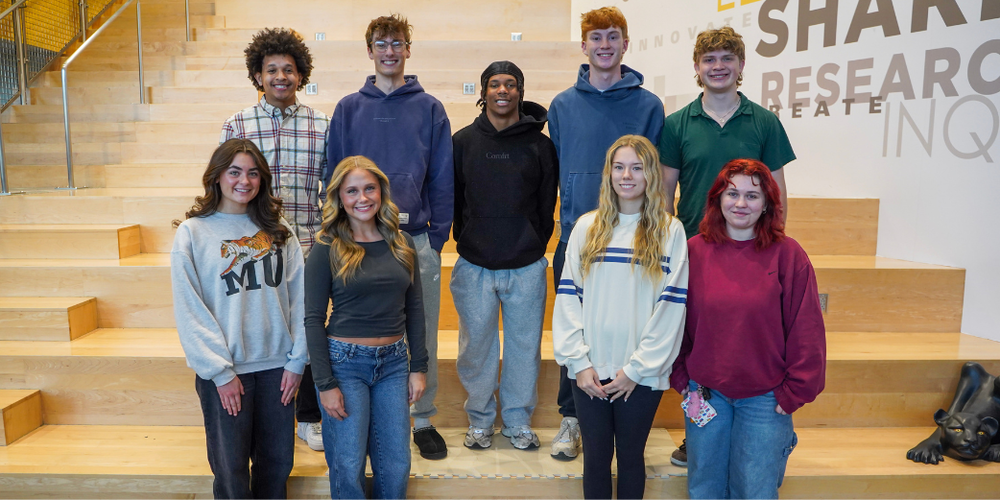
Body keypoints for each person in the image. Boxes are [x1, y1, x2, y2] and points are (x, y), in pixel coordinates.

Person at [659, 26, 796, 467]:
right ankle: (696, 434)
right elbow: (664, 195)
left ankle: (761, 429)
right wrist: (668, 247)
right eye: (709, 60)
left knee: (737, 338)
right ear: (697, 69)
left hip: (748, 249)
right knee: (695, 343)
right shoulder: (677, 124)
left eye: (726, 59)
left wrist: (772, 242)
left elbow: (775, 188)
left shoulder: (764, 121)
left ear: (740, 66)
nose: (718, 66)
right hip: (694, 252)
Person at [325, 13, 452, 460]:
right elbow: (335, 174)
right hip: (356, 242)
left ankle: (423, 418)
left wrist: (435, 239)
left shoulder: (430, 108)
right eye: (381, 43)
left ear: (407, 50)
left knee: (422, 331)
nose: (390, 51)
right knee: (359, 328)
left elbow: (441, 177)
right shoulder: (348, 108)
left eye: (397, 42)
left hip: (413, 240)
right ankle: (369, 412)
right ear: (370, 51)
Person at [546, 5, 664, 461]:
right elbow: (554, 172)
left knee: (631, 324)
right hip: (579, 236)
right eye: (596, 38)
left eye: (613, 36)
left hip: (638, 238)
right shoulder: (562, 105)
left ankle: (629, 411)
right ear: (584, 45)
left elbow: (656, 173)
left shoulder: (648, 105)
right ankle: (571, 418)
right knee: (573, 327)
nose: (604, 45)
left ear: (625, 44)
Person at [671, 159, 826, 499]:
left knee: (755, 491)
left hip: (766, 398)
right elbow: (674, 321)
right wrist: (681, 377)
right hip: (705, 392)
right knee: (704, 488)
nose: (741, 204)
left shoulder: (789, 255)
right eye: (732, 194)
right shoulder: (693, 251)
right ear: (717, 199)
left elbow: (807, 329)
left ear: (768, 203)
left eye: (752, 196)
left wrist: (795, 392)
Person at [553, 135, 688, 499]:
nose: (626, 175)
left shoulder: (669, 231)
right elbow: (568, 299)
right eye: (618, 167)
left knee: (630, 456)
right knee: (595, 458)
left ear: (651, 175)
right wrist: (579, 363)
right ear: (608, 174)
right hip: (590, 370)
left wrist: (637, 369)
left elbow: (671, 307)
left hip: (640, 372)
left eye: (637, 167)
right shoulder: (587, 227)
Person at [171, 138, 307, 499]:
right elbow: (190, 309)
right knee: (231, 472)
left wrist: (297, 362)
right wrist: (220, 371)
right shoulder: (193, 233)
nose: (243, 181)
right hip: (227, 372)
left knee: (277, 465)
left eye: (252, 173)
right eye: (234, 172)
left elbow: (302, 301)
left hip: (279, 369)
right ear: (217, 176)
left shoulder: (280, 229)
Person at [220, 27, 329, 452]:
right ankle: (261, 415)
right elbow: (227, 185)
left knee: (308, 327)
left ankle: (308, 416)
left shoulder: (322, 124)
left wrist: (323, 240)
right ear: (258, 76)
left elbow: (331, 187)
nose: (280, 76)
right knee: (267, 329)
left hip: (306, 245)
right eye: (271, 70)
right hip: (254, 250)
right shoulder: (238, 124)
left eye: (288, 69)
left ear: (300, 75)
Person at [304, 156, 429, 499]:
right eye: (352, 191)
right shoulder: (327, 247)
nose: (363, 198)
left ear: (382, 191)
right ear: (339, 198)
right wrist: (324, 383)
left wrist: (418, 367)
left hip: (393, 363)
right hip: (345, 364)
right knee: (347, 463)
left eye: (369, 188)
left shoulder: (402, 243)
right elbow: (313, 319)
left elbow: (415, 309)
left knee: (397, 463)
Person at [450, 61, 559, 450]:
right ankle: (480, 419)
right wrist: (470, 238)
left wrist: (532, 241)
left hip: (526, 265)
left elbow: (546, 205)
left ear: (520, 91)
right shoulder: (462, 142)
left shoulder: (540, 145)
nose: (502, 91)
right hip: (475, 263)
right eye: (494, 84)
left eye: (510, 85)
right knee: (475, 348)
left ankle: (516, 420)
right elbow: (457, 202)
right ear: (483, 92)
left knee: (524, 349)